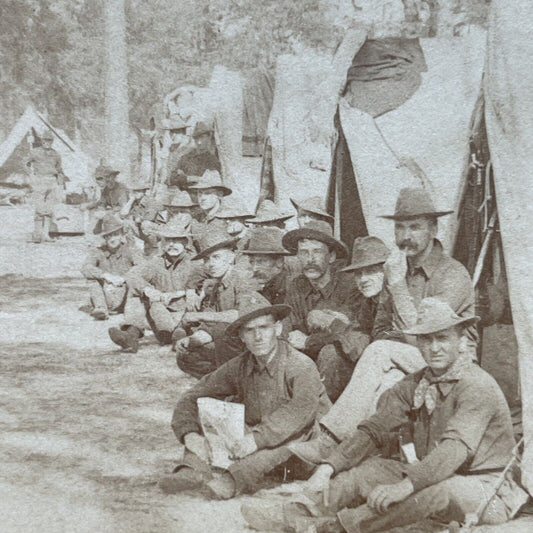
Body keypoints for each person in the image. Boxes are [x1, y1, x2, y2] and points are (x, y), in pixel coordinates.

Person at [243, 299, 528, 533]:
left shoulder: (476, 385)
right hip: (436, 471)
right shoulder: (417, 382)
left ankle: (334, 528)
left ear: (461, 341)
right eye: (426, 340)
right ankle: (294, 514)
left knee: (433, 492)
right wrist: (329, 467)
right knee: (366, 472)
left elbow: (454, 450)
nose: (434, 348)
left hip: (486, 488)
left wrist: (406, 485)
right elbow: (374, 429)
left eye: (443, 338)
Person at [313, 188, 477, 449]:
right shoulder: (399, 269)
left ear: (433, 229)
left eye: (415, 227)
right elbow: (381, 329)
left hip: (451, 364)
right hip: (408, 361)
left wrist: (398, 286)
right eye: (400, 228)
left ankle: (329, 440)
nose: (406, 236)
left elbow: (430, 337)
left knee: (379, 352)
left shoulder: (452, 274)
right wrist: (397, 340)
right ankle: (347, 456)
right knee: (386, 387)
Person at [161, 293, 331, 499]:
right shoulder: (239, 365)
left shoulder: (300, 365)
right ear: (241, 336)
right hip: (259, 437)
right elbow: (193, 396)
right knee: (211, 413)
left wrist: (256, 440)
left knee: (284, 447)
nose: (258, 337)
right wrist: (190, 435)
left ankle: (234, 479)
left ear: (277, 329)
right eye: (249, 330)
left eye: (264, 328)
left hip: (303, 443)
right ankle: (192, 468)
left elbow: (298, 414)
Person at [282, 221, 364, 401]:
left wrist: (309, 341)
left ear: (332, 256)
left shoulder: (349, 285)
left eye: (317, 252)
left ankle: (322, 415)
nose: (310, 259)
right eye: (304, 253)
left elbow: (347, 335)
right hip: (309, 360)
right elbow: (288, 328)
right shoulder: (297, 286)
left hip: (344, 363)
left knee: (331, 353)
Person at [175, 228, 255, 378]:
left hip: (250, 344)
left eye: (216, 257)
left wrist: (199, 316)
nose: (210, 264)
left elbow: (243, 314)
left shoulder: (242, 280)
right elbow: (211, 325)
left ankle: (235, 387)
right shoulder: (216, 286)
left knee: (223, 343)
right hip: (229, 345)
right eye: (206, 259)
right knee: (186, 356)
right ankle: (223, 388)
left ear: (231, 257)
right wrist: (193, 340)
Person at [108, 220, 195, 353]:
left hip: (185, 315)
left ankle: (179, 337)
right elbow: (133, 276)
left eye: (176, 241)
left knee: (188, 314)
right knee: (136, 294)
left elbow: (207, 286)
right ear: (162, 243)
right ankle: (131, 335)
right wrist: (148, 290)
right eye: (167, 241)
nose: (171, 245)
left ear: (185, 243)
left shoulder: (195, 263)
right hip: (159, 315)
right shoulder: (156, 262)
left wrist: (180, 293)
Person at [81, 214, 142, 320]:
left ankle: (130, 310)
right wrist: (105, 275)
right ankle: (101, 308)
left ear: (121, 235)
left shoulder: (130, 250)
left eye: (115, 235)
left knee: (136, 280)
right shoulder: (98, 251)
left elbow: (142, 266)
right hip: (106, 295)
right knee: (92, 280)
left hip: (125, 293)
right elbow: (86, 267)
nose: (112, 239)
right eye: (108, 236)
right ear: (104, 238)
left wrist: (124, 278)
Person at [26, 129, 67, 243]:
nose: (47, 142)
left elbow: (59, 170)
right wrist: (31, 177)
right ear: (42, 140)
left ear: (52, 141)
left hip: (52, 181)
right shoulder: (35, 152)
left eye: (49, 140)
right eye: (45, 140)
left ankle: (46, 234)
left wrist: (61, 184)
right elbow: (25, 163)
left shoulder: (56, 154)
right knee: (39, 209)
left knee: (49, 209)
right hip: (39, 180)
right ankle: (37, 234)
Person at [242, 227, 291, 305]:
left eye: (261, 261)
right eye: (251, 262)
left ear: (280, 262)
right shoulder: (267, 288)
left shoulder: (291, 289)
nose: (254, 268)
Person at [168, 121, 221, 190]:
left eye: (202, 137)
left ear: (209, 137)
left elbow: (212, 182)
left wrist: (187, 178)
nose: (199, 142)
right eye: (196, 138)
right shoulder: (186, 157)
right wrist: (190, 178)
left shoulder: (213, 160)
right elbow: (172, 179)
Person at [186, 169, 232, 247]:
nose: (202, 198)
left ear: (219, 195)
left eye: (208, 193)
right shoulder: (195, 220)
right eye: (200, 193)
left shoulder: (228, 219)